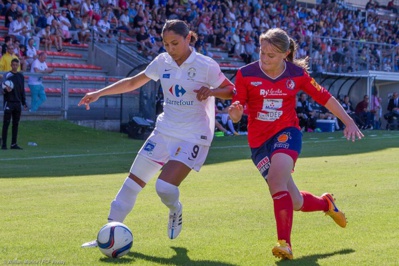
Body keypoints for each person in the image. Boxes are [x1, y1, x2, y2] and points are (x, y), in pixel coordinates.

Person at [79, 19, 234, 247]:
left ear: (188, 38)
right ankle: (107, 235)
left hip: (193, 136)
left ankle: (175, 209)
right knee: (131, 184)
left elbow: (232, 91)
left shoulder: (206, 65)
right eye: (166, 44)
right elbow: (133, 82)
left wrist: (211, 91)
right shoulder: (162, 62)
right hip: (163, 132)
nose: (170, 49)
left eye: (175, 43)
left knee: (165, 187)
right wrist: (99, 93)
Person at [228, 28, 363, 260]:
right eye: (262, 53)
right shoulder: (245, 74)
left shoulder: (297, 74)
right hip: (258, 143)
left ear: (285, 54)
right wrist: (235, 114)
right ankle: (326, 203)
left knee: (275, 181)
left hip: (286, 133)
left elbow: (325, 97)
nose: (264, 59)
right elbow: (236, 111)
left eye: (271, 55)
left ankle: (285, 244)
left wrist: (348, 121)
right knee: (296, 202)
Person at [1, 58, 27, 150]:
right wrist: (5, 90)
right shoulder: (7, 75)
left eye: (16, 65)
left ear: (18, 66)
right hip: (9, 102)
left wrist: (24, 102)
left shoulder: (21, 76)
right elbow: (1, 88)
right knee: (6, 123)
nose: (15, 66)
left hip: (17, 103)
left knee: (15, 124)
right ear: (11, 65)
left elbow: (22, 90)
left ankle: (13, 144)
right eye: (13, 65)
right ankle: (4, 144)